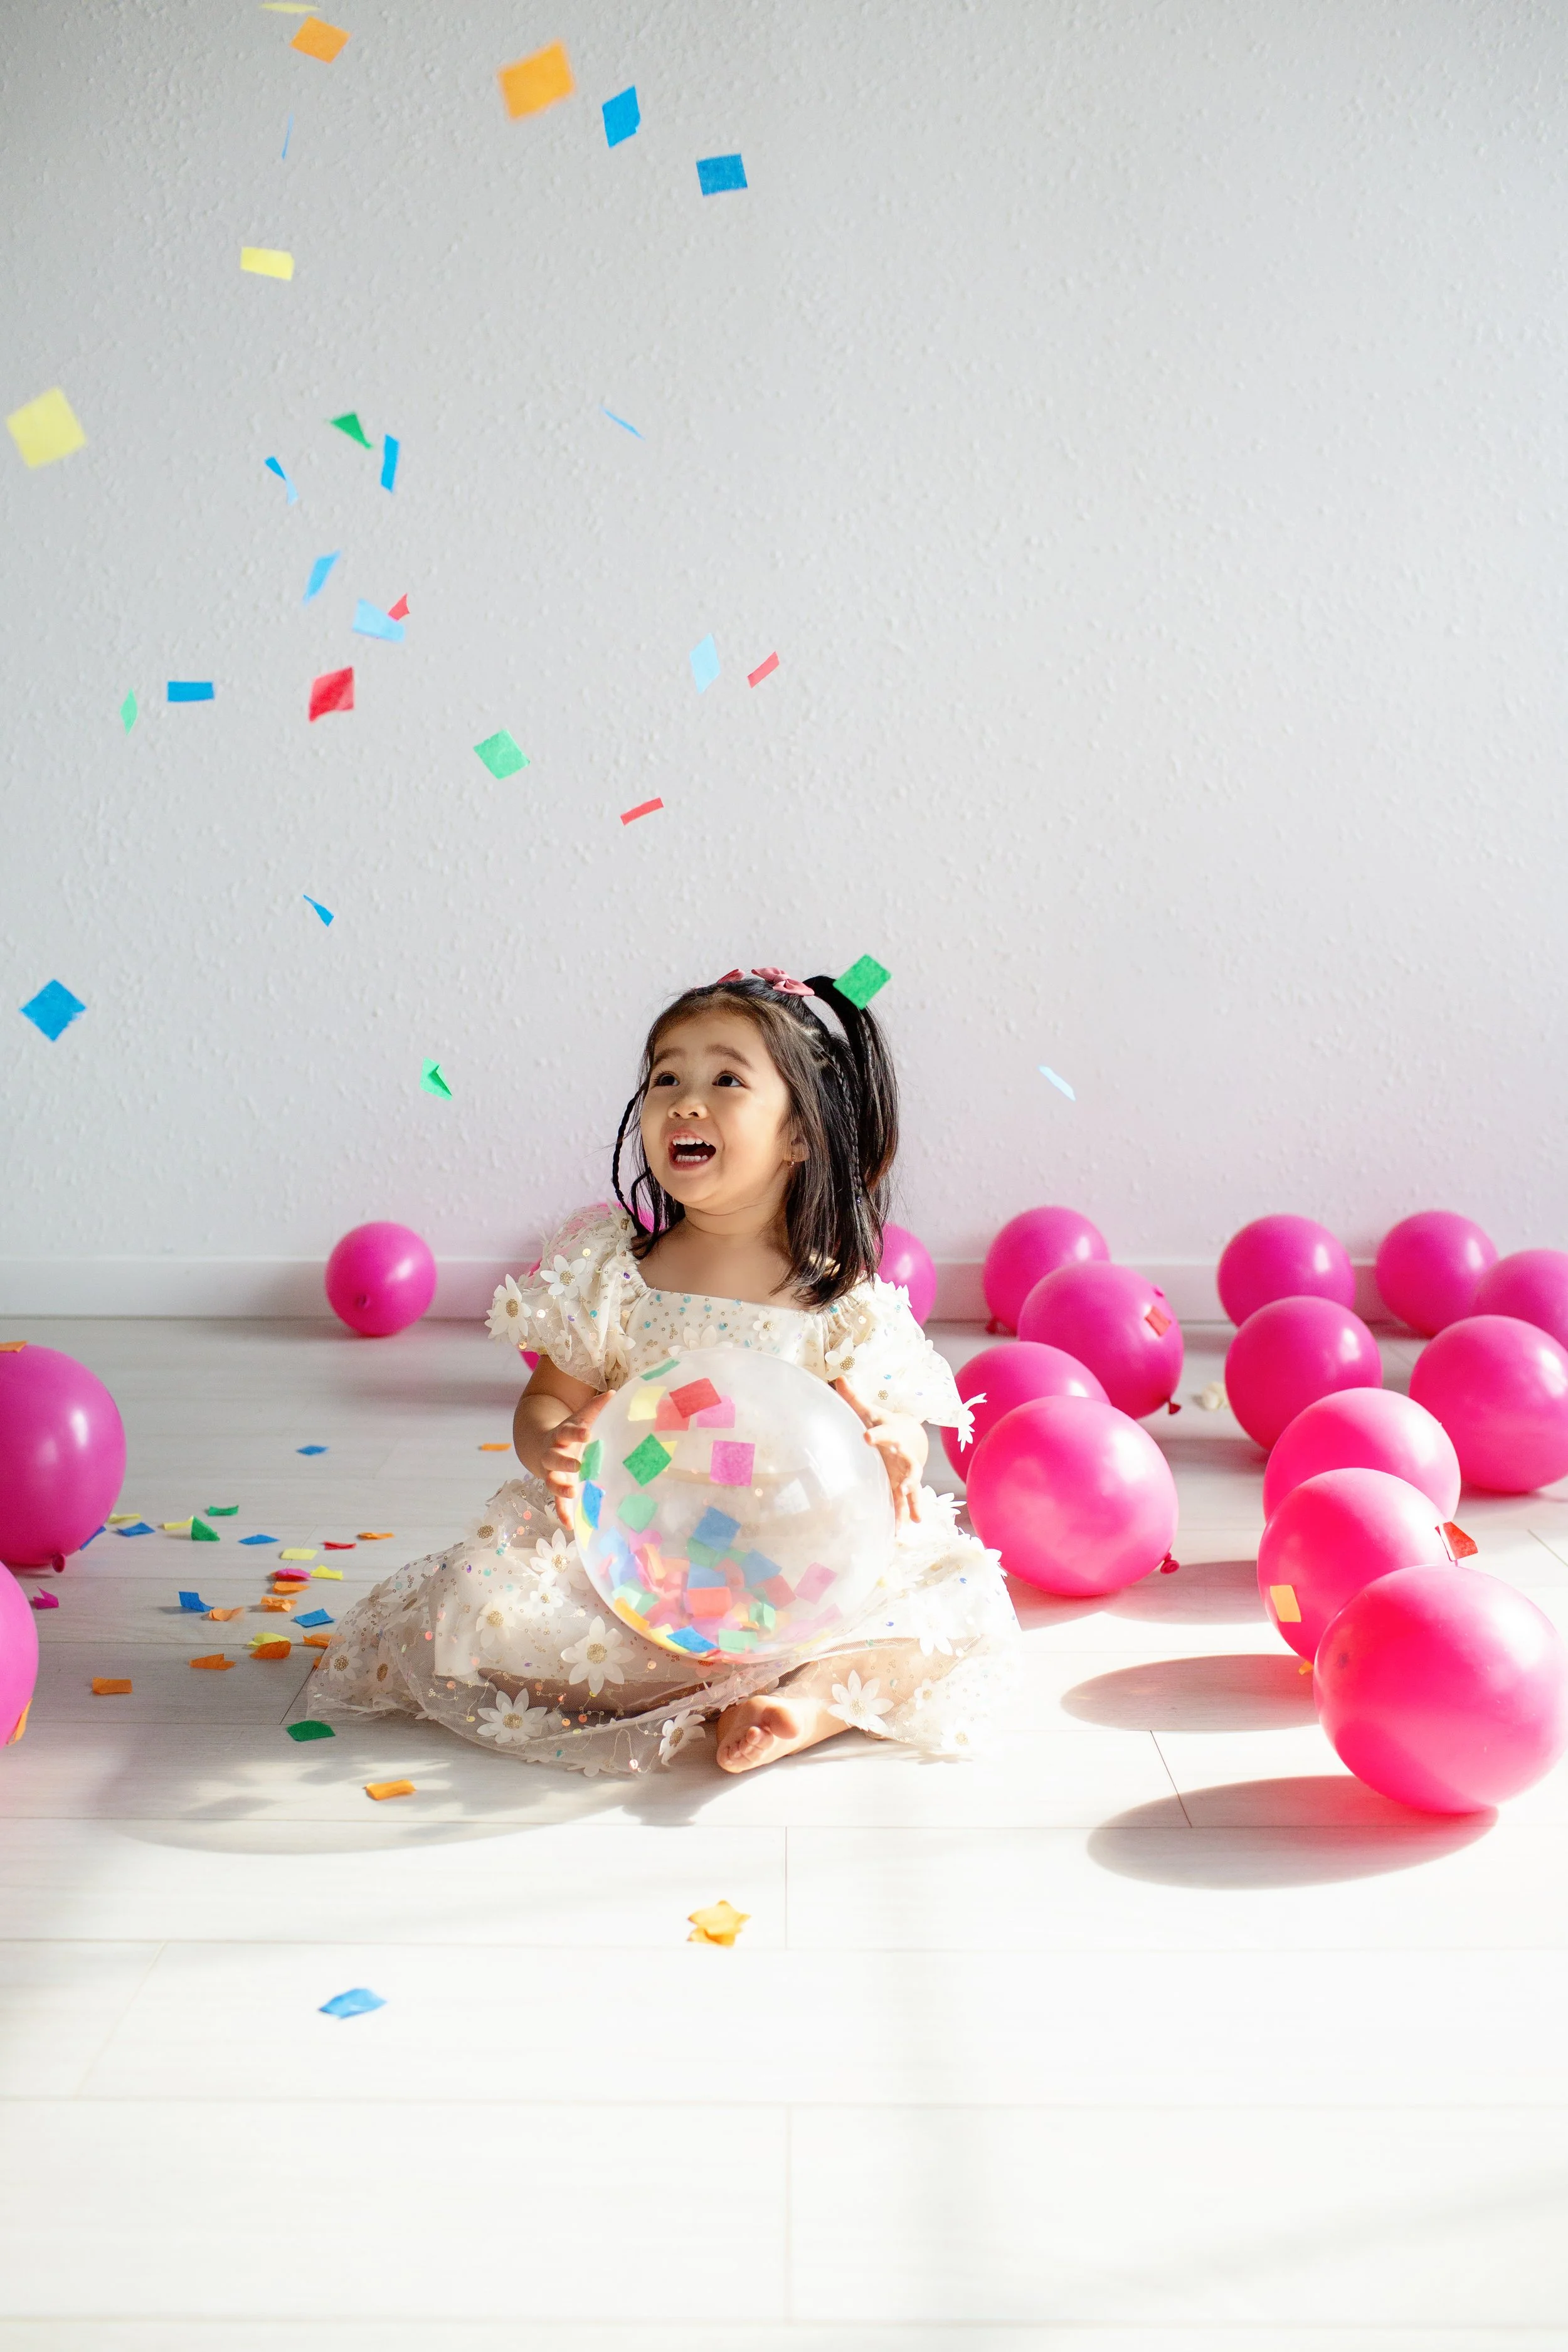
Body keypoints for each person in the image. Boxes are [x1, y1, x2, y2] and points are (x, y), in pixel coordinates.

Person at [311, 967, 1019, 1776]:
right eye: (665, 1078)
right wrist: (554, 1448)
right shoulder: (615, 1273)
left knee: (955, 1590)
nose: (686, 1100)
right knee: (492, 1612)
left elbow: (893, 1432)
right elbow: (546, 1402)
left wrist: (897, 1446)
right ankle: (705, 1682)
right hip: (639, 1562)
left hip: (798, 1555)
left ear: (800, 1134)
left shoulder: (839, 1298)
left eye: (726, 1079)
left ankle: (801, 1704)